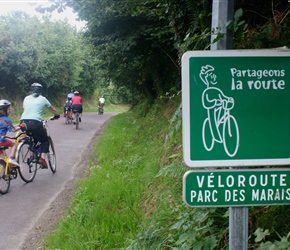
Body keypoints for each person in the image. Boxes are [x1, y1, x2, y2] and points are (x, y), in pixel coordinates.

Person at [20, 83, 60, 169]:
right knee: (45, 140)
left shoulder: (26, 98)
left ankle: (32, 152)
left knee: (32, 138)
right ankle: (42, 158)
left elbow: (26, 109)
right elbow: (52, 109)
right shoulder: (43, 99)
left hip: (23, 122)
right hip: (35, 122)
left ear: (31, 90)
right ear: (41, 91)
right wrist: (57, 115)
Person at [0, 100, 21, 167]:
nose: (10, 110)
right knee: (13, 144)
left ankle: (3, 172)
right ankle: (11, 159)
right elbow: (13, 130)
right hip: (1, 140)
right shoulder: (6, 120)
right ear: (4, 110)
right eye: (9, 109)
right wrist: (21, 126)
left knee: (2, 159)